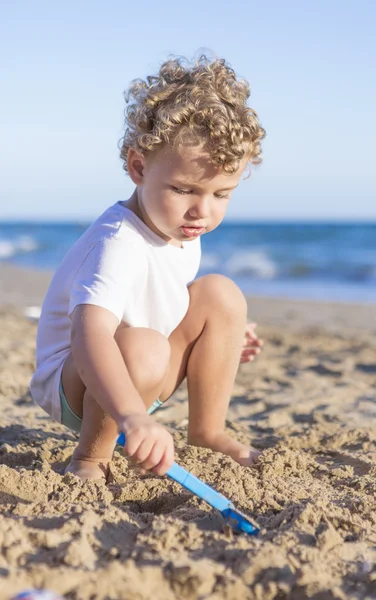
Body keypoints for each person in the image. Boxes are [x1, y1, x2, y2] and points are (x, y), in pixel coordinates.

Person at [30, 54, 266, 480]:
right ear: (139, 167)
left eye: (222, 194)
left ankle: (207, 432)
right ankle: (90, 458)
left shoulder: (178, 226)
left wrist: (222, 337)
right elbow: (90, 334)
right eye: (184, 189)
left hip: (142, 372)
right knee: (145, 347)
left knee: (221, 295)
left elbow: (167, 300)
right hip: (81, 386)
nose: (202, 211)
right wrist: (131, 416)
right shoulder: (118, 241)